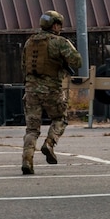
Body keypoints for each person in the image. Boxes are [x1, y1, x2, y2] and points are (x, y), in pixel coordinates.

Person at [22, 10, 83, 175]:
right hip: (52, 90)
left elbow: (24, 66)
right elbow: (77, 61)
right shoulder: (60, 42)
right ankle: (49, 143)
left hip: (31, 90)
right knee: (60, 118)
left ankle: (27, 160)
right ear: (55, 25)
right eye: (59, 25)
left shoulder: (29, 43)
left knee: (32, 129)